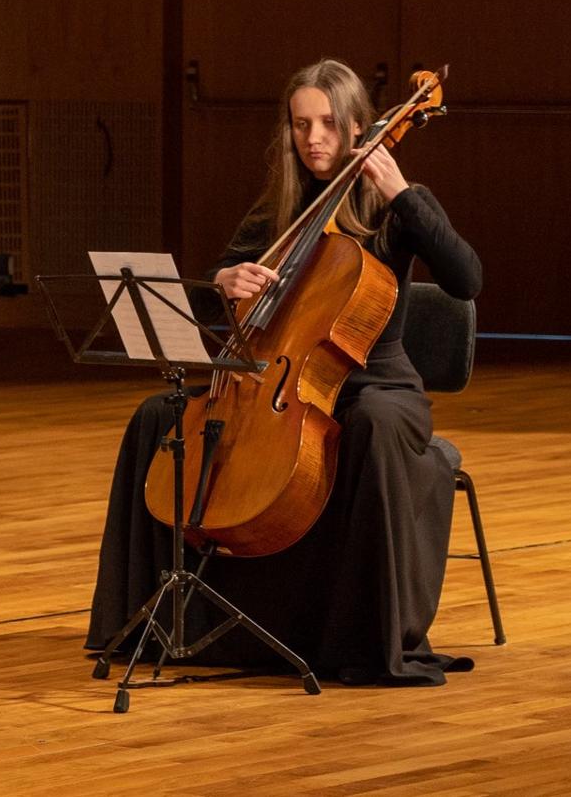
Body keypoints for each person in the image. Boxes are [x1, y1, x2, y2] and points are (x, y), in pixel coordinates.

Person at [84, 59, 483, 686]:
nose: (314, 138)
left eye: (327, 123)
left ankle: (357, 637)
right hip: (275, 382)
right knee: (156, 416)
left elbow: (466, 279)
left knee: (375, 427)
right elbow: (227, 273)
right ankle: (153, 622)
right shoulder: (283, 209)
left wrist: (404, 192)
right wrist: (225, 280)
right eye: (301, 125)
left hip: (374, 385)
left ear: (357, 125)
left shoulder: (396, 206)